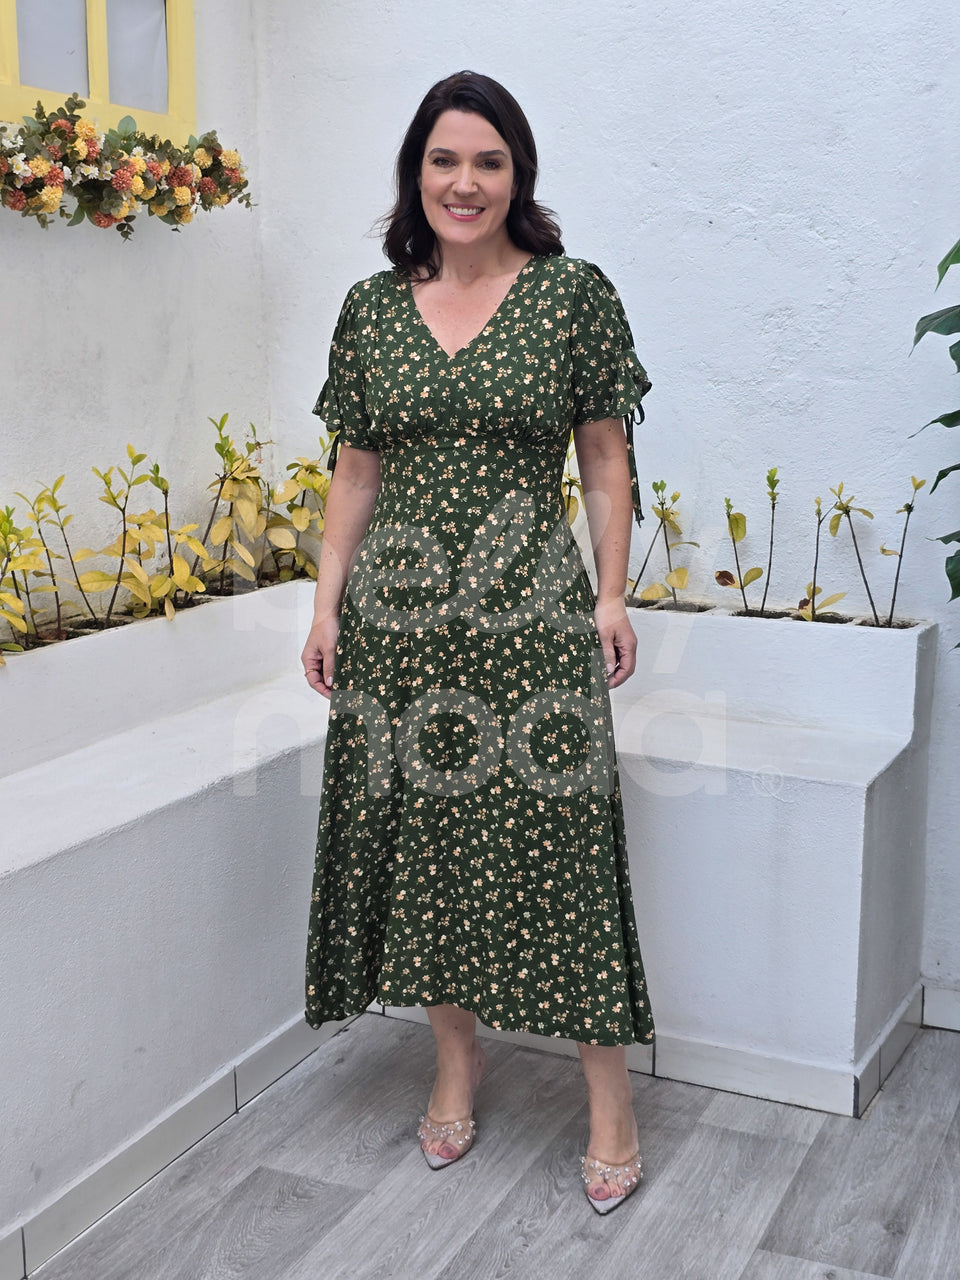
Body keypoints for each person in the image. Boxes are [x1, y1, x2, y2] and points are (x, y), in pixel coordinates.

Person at [301, 70, 655, 1214]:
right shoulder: (371, 308)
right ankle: (455, 1060)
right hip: (400, 630)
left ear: (518, 175)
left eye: (488, 161)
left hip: (531, 621)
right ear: (417, 173)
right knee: (425, 843)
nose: (465, 182)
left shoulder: (570, 295)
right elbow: (356, 471)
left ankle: (609, 1097)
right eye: (445, 160)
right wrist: (326, 606)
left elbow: (604, 456)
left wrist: (611, 594)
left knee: (563, 844)